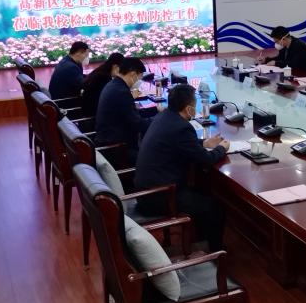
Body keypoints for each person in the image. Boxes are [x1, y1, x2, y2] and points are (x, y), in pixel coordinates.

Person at [135, 84, 229, 251]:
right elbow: (206, 160)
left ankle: (200, 240)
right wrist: (222, 148)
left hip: (147, 189)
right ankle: (215, 252)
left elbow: (179, 143)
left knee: (202, 192)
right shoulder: (182, 127)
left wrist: (204, 143)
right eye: (194, 105)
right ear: (188, 109)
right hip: (160, 196)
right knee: (214, 208)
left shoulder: (164, 117)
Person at [95, 57, 153, 161]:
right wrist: (158, 121)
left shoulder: (113, 85)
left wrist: (155, 112)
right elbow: (137, 124)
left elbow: (130, 115)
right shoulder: (122, 92)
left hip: (110, 140)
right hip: (118, 149)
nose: (139, 82)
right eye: (140, 78)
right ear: (133, 74)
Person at [80, 52, 124, 118]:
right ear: (115, 66)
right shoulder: (104, 77)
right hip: (94, 114)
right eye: (121, 69)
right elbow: (108, 99)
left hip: (90, 110)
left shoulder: (101, 71)